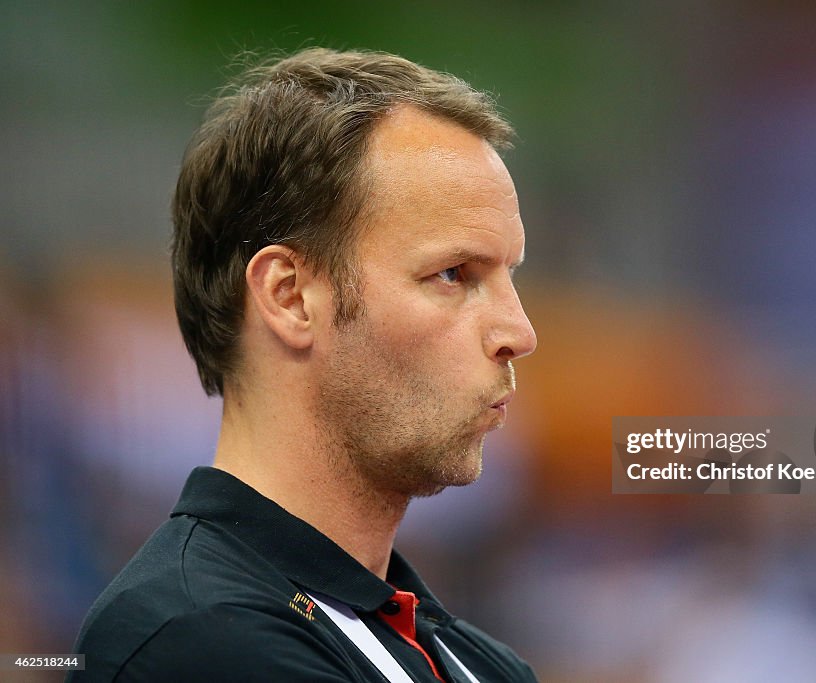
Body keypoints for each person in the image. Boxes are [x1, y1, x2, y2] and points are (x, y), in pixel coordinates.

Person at [68, 47, 538, 682]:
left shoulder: (481, 662)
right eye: (453, 273)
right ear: (288, 296)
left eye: (509, 275)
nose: (520, 332)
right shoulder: (196, 635)